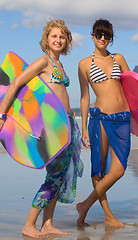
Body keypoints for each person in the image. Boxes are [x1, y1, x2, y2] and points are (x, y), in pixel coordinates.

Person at [0, 20, 83, 238]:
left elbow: (57, 96)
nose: (58, 40)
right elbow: (17, 82)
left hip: (67, 125)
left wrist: (69, 113)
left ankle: (48, 224)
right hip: (53, 131)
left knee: (60, 174)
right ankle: (29, 224)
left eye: (62, 37)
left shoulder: (60, 65)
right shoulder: (44, 62)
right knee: (54, 177)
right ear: (47, 39)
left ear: (67, 42)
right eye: (54, 36)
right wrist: (2, 114)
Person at [77, 19, 131, 228]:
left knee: (118, 170)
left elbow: (132, 86)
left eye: (106, 36)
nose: (102, 39)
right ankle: (108, 215)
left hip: (123, 119)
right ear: (92, 36)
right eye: (99, 35)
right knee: (99, 171)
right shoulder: (83, 64)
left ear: (110, 38)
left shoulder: (119, 58)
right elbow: (84, 97)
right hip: (100, 119)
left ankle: (85, 205)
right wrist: (83, 128)